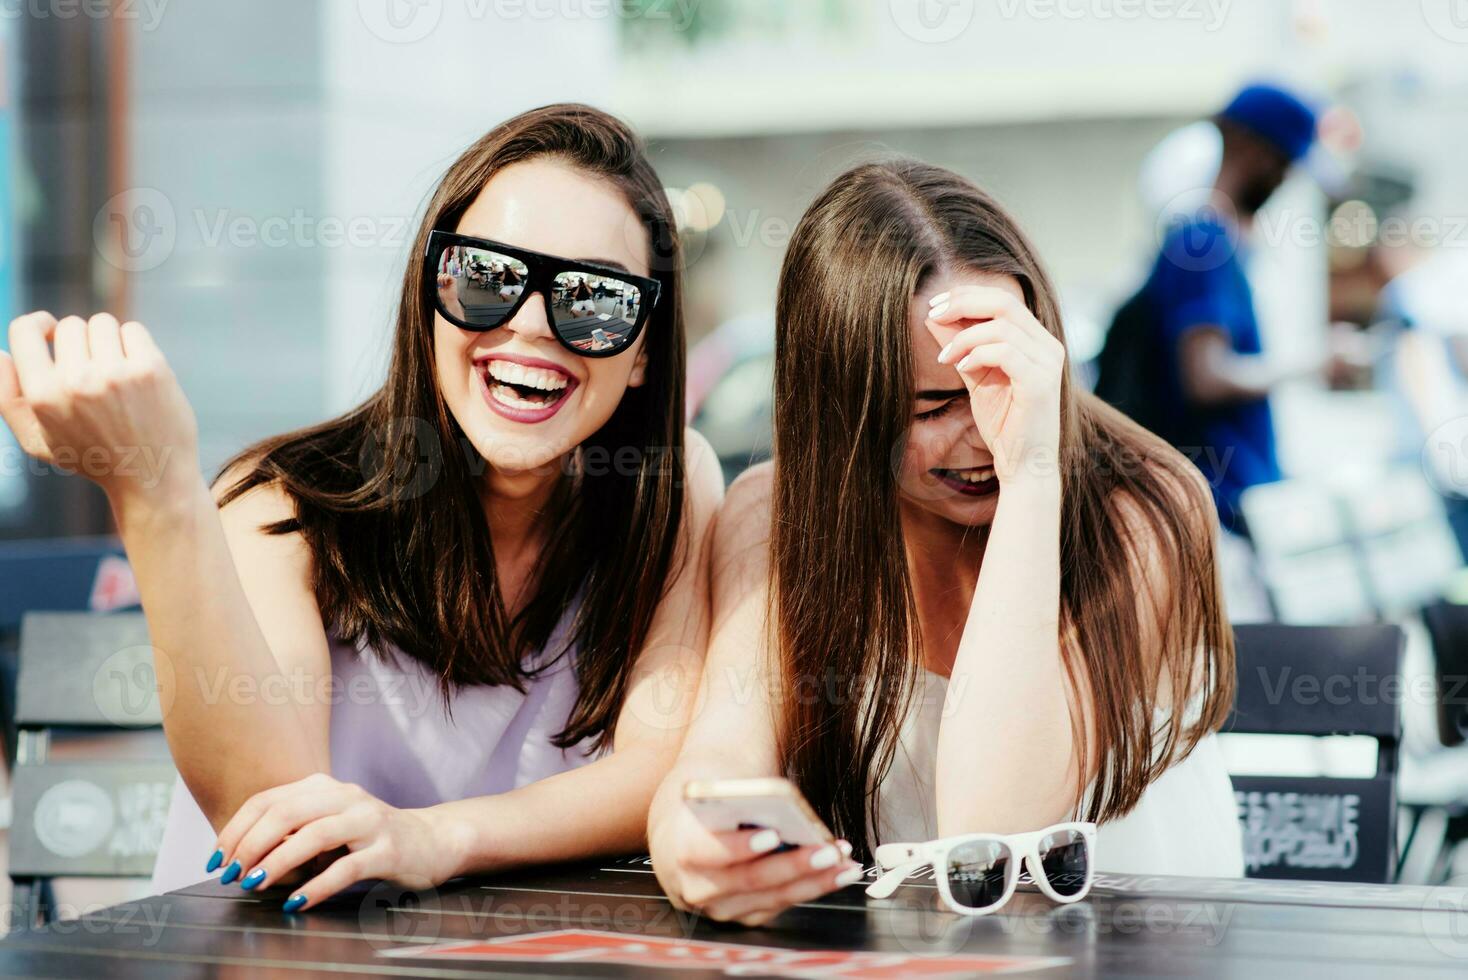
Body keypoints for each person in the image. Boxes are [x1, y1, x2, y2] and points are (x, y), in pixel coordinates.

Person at [0, 104, 721, 912]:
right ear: (430, 295)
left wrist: (434, 838)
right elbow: (274, 817)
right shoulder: (284, 505)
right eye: (485, 276)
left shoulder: (671, 487)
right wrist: (154, 488)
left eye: (592, 300)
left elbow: (657, 770)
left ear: (645, 353)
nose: (528, 325)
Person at [648, 159, 1241, 927]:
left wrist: (1033, 470)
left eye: (1005, 384)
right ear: (841, 404)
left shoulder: (1143, 511)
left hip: (1138, 946)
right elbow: (719, 755)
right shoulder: (779, 515)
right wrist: (687, 843)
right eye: (933, 405)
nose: (983, 434)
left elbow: (991, 824)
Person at [1131, 82, 1350, 532]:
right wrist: (1314, 362)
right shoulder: (1202, 242)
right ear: (1251, 147)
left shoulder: (1214, 243)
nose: (1284, 178)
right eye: (1283, 162)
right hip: (1219, 506)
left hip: (1226, 502)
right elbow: (1206, 378)